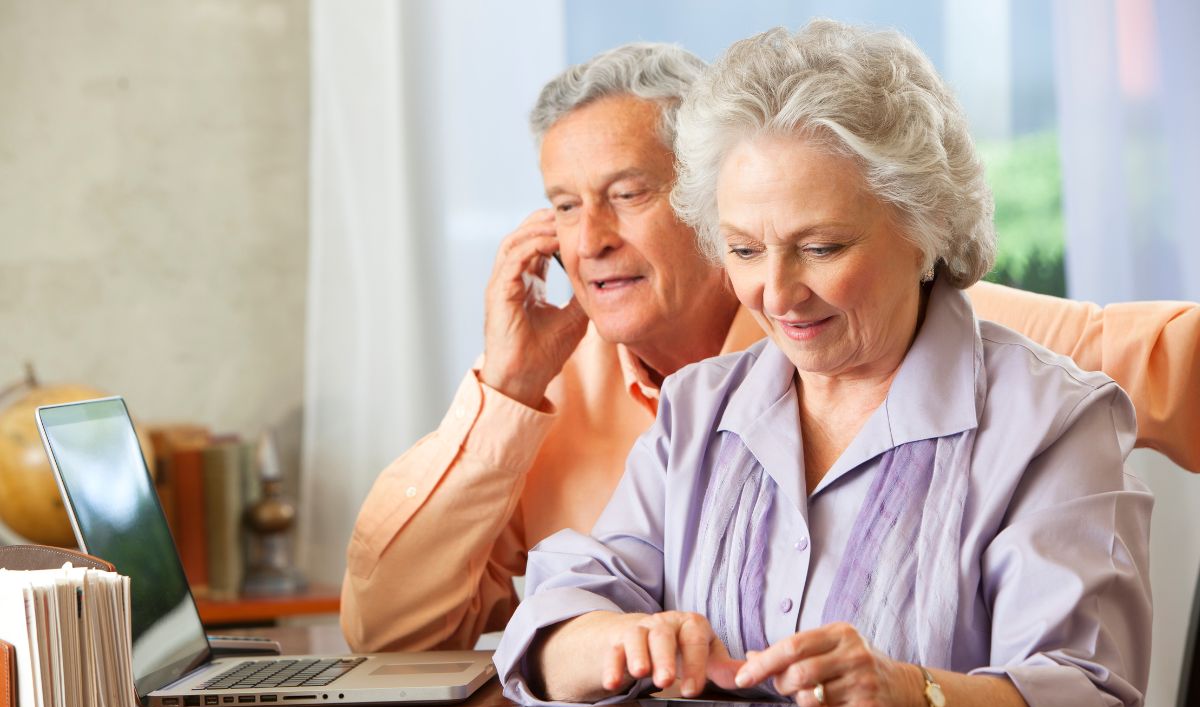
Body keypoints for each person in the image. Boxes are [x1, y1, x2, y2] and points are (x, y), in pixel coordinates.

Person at [340, 40, 1198, 656]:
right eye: (564, 206)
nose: (589, 239)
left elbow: (1173, 363)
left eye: (628, 193)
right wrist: (507, 386)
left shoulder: (924, 325)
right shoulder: (546, 400)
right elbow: (392, 632)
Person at [494, 22, 1152, 707]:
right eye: (743, 250)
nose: (776, 294)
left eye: (821, 248)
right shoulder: (702, 406)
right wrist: (616, 641)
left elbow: (1084, 703)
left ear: (925, 229)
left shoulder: (1054, 420)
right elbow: (562, 609)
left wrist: (916, 695)